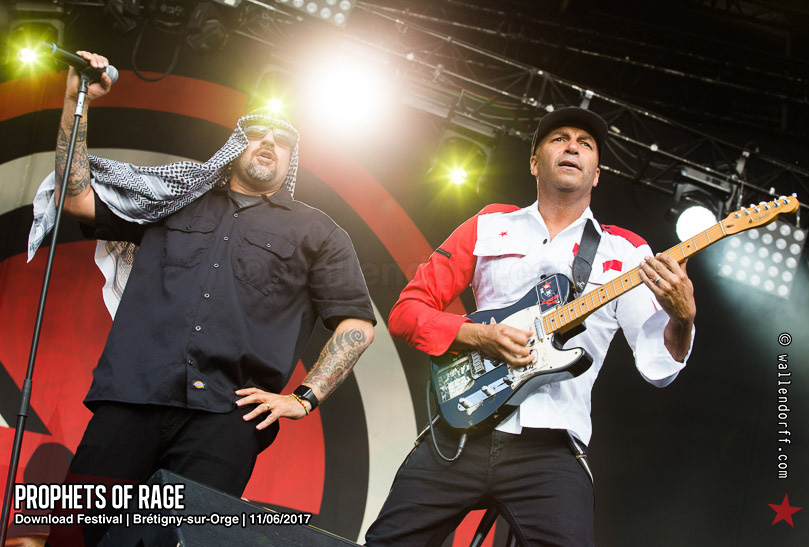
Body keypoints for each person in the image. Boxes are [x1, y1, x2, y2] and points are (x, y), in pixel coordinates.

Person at [44, 52, 376, 546]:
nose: (269, 143)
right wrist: (78, 101)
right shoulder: (174, 197)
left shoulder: (318, 232)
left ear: (292, 159)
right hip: (133, 396)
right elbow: (76, 198)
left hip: (226, 420)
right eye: (257, 133)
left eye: (283, 140)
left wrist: (303, 399)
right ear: (236, 144)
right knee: (75, 536)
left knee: (167, 542)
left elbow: (357, 325)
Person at [365, 106, 696, 546]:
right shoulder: (488, 226)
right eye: (560, 138)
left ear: (597, 174)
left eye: (586, 143)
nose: (573, 146)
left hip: (551, 448)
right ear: (535, 163)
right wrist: (479, 335)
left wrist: (683, 318)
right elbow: (407, 312)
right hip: (463, 428)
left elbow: (659, 365)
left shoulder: (627, 252)